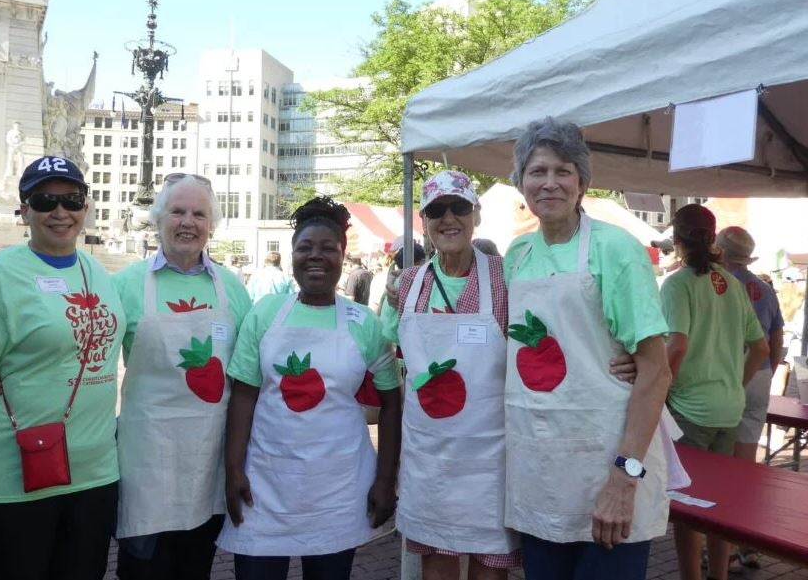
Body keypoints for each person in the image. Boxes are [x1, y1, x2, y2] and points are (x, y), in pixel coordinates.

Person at [382, 169, 642, 580]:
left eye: (459, 208)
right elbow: (387, 352)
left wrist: (625, 354)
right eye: (437, 211)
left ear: (476, 215)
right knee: (435, 566)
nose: (448, 219)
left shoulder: (506, 275)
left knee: (490, 567)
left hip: (492, 460)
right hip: (428, 459)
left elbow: (557, 327)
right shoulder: (408, 284)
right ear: (424, 222)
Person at [0, 155, 125, 580]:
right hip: (15, 476)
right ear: (24, 211)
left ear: (86, 206)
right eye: (44, 201)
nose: (60, 211)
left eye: (71, 199)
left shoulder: (99, 271)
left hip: (94, 476)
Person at [502, 119, 674, 580]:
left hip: (607, 465)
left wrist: (624, 476)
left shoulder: (615, 248)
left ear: (582, 182)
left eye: (563, 171)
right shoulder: (517, 255)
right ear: (521, 182)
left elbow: (655, 373)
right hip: (541, 472)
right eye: (537, 172)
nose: (550, 183)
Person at [218, 196, 402, 580]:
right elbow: (245, 395)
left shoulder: (363, 322)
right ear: (291, 255)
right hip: (264, 487)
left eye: (327, 248)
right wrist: (233, 468)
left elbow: (391, 404)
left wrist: (386, 478)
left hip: (339, 490)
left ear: (342, 254)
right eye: (305, 247)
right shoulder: (265, 313)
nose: (315, 256)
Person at [112, 173, 252, 580]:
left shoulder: (231, 287)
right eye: (177, 211)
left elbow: (250, 370)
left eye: (199, 214)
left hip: (208, 460)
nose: (188, 222)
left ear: (211, 225)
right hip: (146, 460)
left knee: (195, 569)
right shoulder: (124, 285)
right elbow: (86, 356)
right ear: (158, 219)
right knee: (143, 571)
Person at [662, 207, 768, 580]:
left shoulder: (677, 284)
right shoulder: (732, 283)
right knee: (721, 507)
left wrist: (659, 392)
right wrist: (734, 385)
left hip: (692, 411)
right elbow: (761, 348)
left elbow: (676, 346)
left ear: (677, 239)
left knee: (690, 509)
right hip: (729, 409)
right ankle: (719, 576)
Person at [716, 226, 785, 570]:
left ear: (720, 252)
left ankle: (722, 549)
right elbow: (776, 339)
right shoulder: (764, 288)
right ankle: (747, 545)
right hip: (759, 375)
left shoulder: (716, 283)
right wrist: (767, 373)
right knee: (745, 464)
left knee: (721, 467)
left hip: (727, 375)